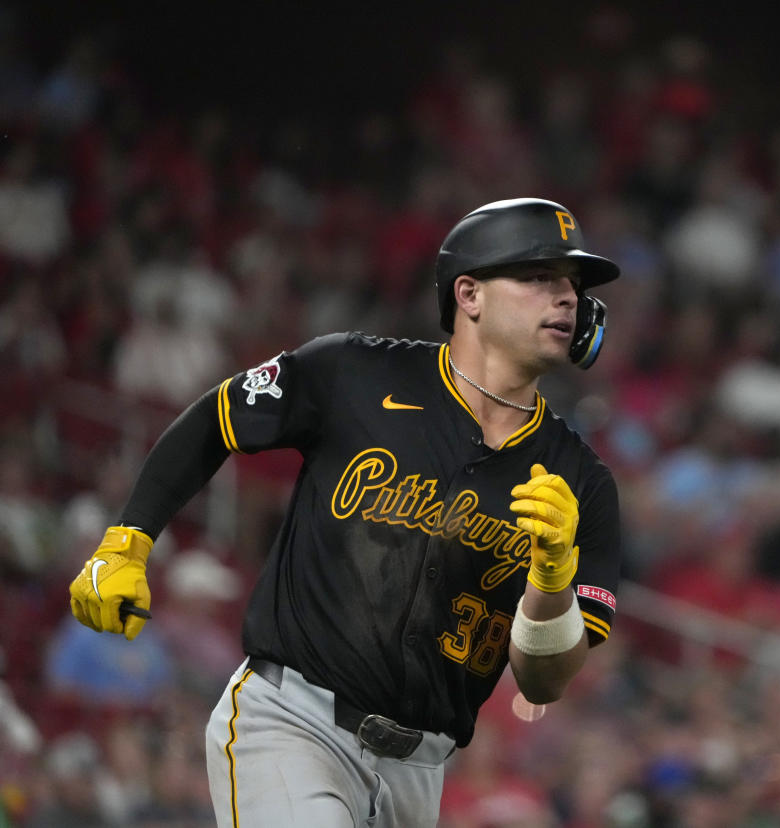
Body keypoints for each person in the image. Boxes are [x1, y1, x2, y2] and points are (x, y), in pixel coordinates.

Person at [67, 197, 623, 827]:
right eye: (537, 277)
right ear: (469, 294)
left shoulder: (583, 483)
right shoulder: (354, 371)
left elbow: (543, 684)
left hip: (422, 772)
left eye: (572, 284)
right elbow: (215, 420)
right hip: (293, 720)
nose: (567, 297)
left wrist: (550, 585)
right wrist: (128, 541)